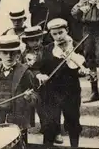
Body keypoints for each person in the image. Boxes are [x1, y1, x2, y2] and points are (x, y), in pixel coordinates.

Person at [36, 18, 89, 147]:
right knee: (50, 123)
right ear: (50, 35)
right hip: (51, 92)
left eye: (61, 32)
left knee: (72, 121)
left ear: (67, 30)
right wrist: (40, 74)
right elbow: (35, 67)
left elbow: (84, 64)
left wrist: (82, 71)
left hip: (71, 91)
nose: (58, 37)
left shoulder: (77, 46)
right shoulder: (47, 49)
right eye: (54, 34)